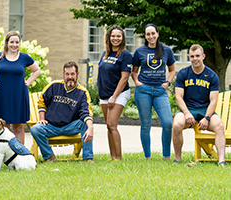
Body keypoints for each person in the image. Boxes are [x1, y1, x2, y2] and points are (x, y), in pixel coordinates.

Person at [172, 44, 226, 166]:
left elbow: (213, 101)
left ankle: (221, 161)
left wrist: (207, 118)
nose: (195, 59)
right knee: (176, 125)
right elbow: (178, 97)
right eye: (192, 56)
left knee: (219, 126)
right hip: (188, 109)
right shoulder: (183, 73)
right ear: (189, 57)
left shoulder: (212, 75)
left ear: (203, 56)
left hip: (206, 110)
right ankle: (178, 159)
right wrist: (186, 113)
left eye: (197, 56)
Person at [30, 61, 94, 163]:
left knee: (85, 124)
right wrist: (42, 119)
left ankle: (88, 158)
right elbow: (42, 102)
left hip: (70, 127)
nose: (70, 77)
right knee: (35, 129)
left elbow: (86, 112)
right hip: (51, 126)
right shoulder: (53, 86)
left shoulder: (82, 92)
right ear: (63, 74)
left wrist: (90, 128)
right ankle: (50, 157)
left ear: (77, 74)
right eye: (67, 74)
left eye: (72, 74)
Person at [0, 31, 40, 145]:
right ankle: (6, 154)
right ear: (6, 43)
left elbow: (36, 70)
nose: (14, 45)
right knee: (3, 126)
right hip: (2, 95)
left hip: (19, 95)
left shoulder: (25, 58)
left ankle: (20, 154)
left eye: (17, 42)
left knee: (18, 126)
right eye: (12, 42)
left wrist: (28, 82)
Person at [131, 23, 176, 160]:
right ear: (145, 36)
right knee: (146, 124)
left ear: (157, 34)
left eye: (153, 33)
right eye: (148, 34)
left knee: (168, 123)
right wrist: (138, 83)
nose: (150, 36)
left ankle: (166, 156)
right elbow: (134, 71)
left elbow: (172, 70)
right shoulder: (139, 51)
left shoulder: (167, 50)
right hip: (143, 91)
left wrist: (168, 83)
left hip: (160, 91)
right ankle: (147, 157)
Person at [97, 25, 132, 160]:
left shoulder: (125, 55)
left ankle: (118, 158)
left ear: (122, 38)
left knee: (112, 124)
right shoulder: (105, 54)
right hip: (105, 94)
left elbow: (124, 78)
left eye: (118, 36)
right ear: (108, 37)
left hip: (119, 93)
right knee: (108, 126)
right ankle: (112, 156)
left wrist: (114, 96)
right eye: (113, 36)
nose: (115, 38)